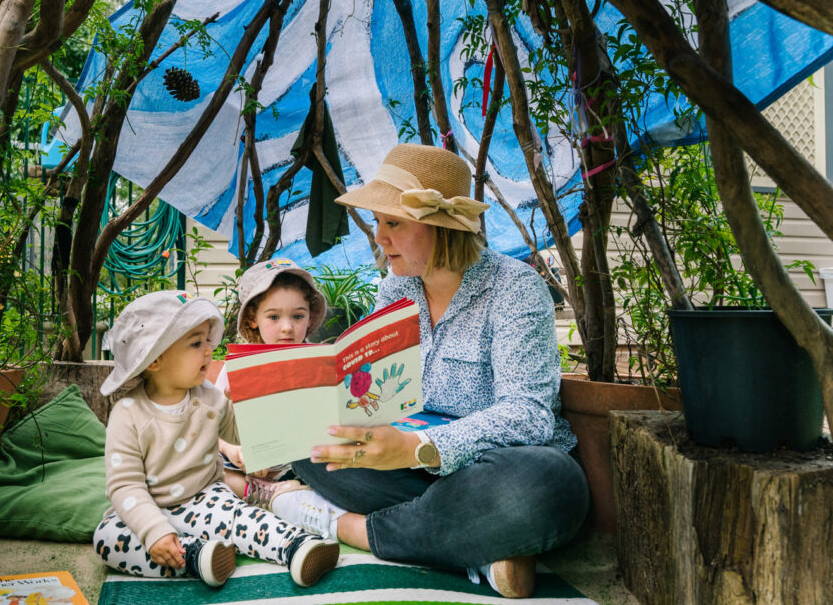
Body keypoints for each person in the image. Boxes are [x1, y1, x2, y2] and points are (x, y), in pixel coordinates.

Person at [269, 144, 589, 599]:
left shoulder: (516, 289)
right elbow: (372, 391)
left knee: (545, 488)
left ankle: (346, 526)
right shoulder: (395, 289)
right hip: (410, 470)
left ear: (441, 225)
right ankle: (473, 541)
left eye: (393, 222)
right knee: (306, 436)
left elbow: (529, 414)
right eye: (378, 222)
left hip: (490, 468)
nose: (379, 237)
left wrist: (419, 447)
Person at [92, 290, 339, 588]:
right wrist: (153, 530)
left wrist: (246, 405)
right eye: (196, 343)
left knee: (242, 518)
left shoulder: (210, 397)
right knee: (107, 539)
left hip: (206, 499)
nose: (209, 350)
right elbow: (125, 485)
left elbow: (240, 435)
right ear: (154, 359)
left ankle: (297, 546)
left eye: (208, 340)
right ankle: (198, 558)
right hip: (149, 507)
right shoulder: (127, 414)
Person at [214, 258, 328, 500]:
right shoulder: (237, 366)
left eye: (298, 316)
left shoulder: (318, 362)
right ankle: (261, 493)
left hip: (302, 464)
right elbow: (212, 428)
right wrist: (233, 449)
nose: (287, 327)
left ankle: (287, 493)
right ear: (253, 319)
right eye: (274, 317)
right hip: (246, 463)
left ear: (309, 318)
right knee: (208, 466)